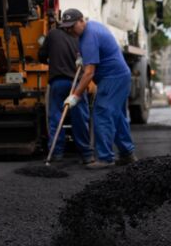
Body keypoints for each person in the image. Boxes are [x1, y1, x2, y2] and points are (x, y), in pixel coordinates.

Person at [59, 9, 137, 169]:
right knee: (117, 116)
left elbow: (89, 73)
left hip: (112, 78)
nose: (69, 30)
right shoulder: (91, 28)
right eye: (66, 27)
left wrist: (75, 96)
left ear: (81, 21)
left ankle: (105, 158)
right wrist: (82, 57)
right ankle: (127, 153)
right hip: (119, 76)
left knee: (102, 113)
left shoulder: (89, 36)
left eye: (72, 26)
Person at [37, 20, 93, 164]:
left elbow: (41, 55)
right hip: (77, 83)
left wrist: (51, 60)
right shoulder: (81, 36)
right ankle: (86, 154)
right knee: (80, 118)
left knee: (56, 118)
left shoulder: (52, 34)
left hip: (58, 81)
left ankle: (56, 153)